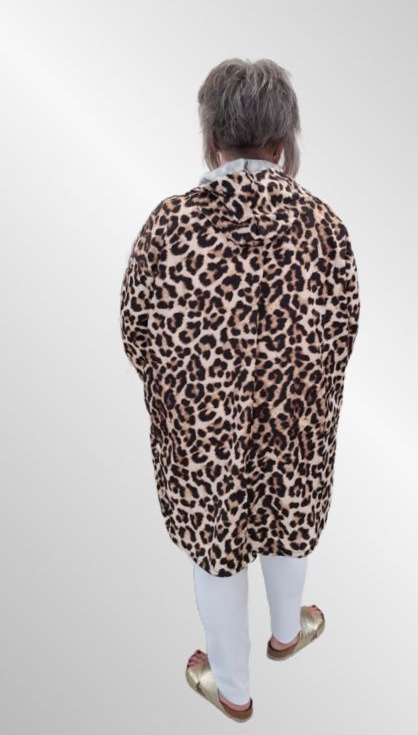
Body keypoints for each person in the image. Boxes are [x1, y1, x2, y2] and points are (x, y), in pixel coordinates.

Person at [119, 57, 360, 721]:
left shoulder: (168, 226)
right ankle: (288, 632)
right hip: (297, 426)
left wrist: (184, 404)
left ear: (211, 138)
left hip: (205, 438)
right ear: (283, 142)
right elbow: (344, 329)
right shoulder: (323, 225)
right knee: (289, 517)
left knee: (217, 548)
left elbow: (137, 330)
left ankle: (231, 687)